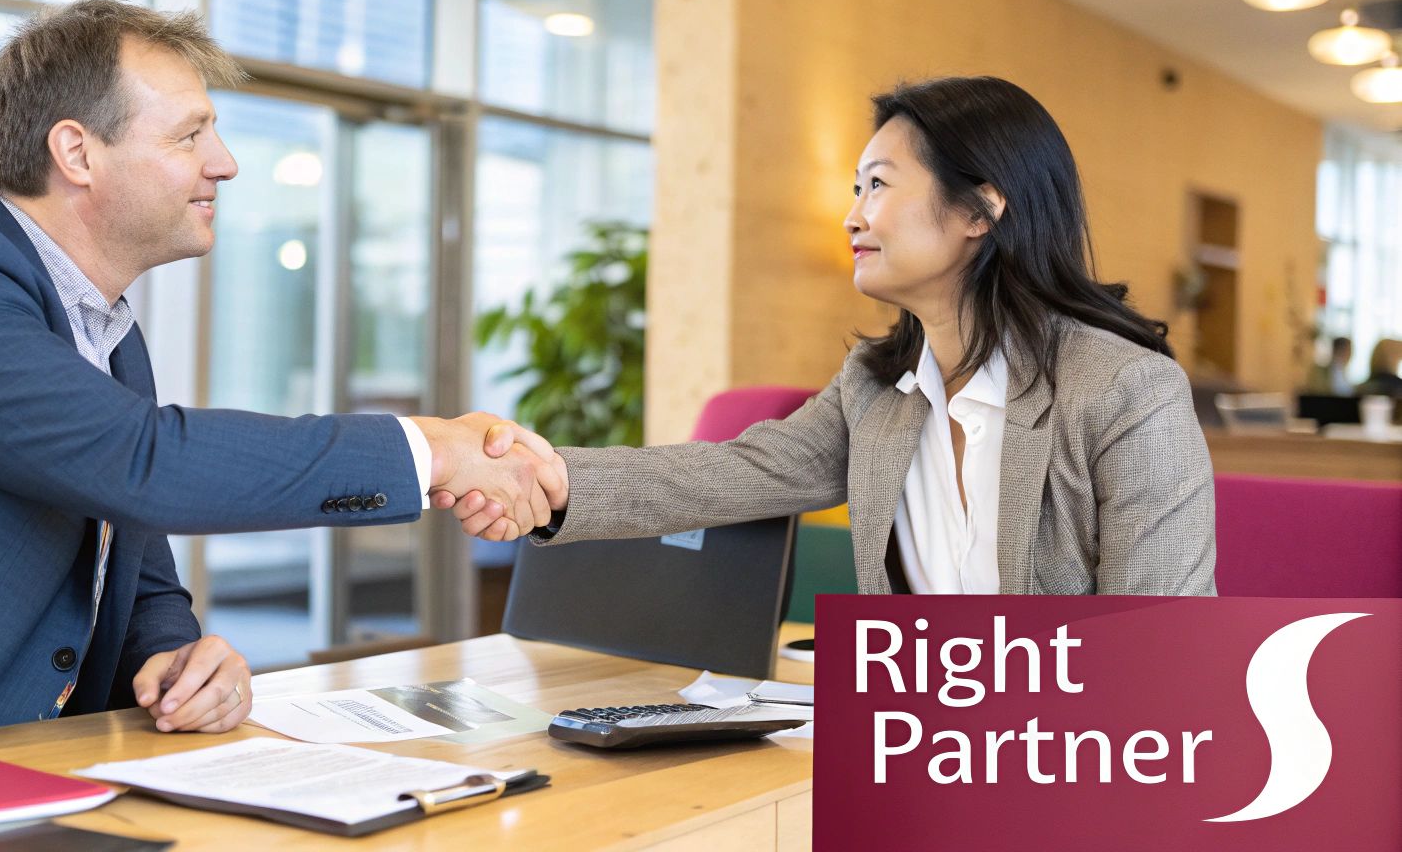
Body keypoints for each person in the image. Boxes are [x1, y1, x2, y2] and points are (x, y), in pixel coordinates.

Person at [0, 0, 552, 776]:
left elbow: (135, 566)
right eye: (190, 134)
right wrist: (431, 449)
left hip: (7, 770)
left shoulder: (107, 336)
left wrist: (178, 657)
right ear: (76, 152)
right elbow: (141, 463)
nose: (225, 162)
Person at [444, 76, 1215, 597]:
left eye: (877, 185)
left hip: (1074, 758)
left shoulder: (1126, 392)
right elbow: (732, 473)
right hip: (917, 743)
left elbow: (1165, 649)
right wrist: (548, 482)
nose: (851, 217)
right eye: (856, 189)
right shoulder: (877, 387)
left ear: (979, 210)